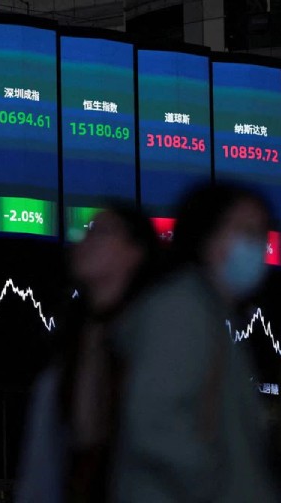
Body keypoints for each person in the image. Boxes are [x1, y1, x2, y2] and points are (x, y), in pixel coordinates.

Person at [107, 182, 281, 502]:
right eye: (244, 231)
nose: (257, 246)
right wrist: (223, 487)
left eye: (261, 234)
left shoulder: (211, 315)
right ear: (206, 235)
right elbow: (155, 425)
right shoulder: (182, 308)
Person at [16, 199, 165, 503]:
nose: (88, 240)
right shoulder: (71, 344)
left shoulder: (160, 342)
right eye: (87, 231)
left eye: (104, 231)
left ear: (136, 252)